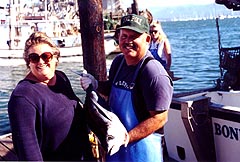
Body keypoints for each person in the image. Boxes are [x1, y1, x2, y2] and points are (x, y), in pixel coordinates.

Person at [80, 14, 173, 162]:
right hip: (116, 150)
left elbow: (160, 118)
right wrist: (96, 84)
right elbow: (112, 89)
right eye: (124, 36)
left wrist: (127, 137)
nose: (128, 41)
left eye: (134, 36)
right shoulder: (118, 62)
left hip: (143, 152)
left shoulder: (153, 73)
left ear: (147, 39)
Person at [8, 32, 94, 161]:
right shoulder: (22, 98)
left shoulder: (61, 78)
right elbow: (28, 154)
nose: (41, 62)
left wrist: (93, 89)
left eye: (46, 56)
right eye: (34, 58)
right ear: (28, 62)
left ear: (55, 58)